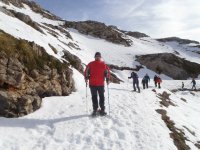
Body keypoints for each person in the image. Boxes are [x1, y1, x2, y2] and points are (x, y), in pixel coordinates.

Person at [84, 52, 110, 116]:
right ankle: (95, 110)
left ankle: (102, 110)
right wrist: (86, 77)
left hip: (101, 84)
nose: (97, 57)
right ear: (94, 57)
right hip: (92, 84)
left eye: (99, 56)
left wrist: (108, 79)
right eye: (96, 56)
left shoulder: (104, 64)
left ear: (100, 57)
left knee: (102, 97)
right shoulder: (90, 64)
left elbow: (107, 72)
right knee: (94, 97)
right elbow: (86, 71)